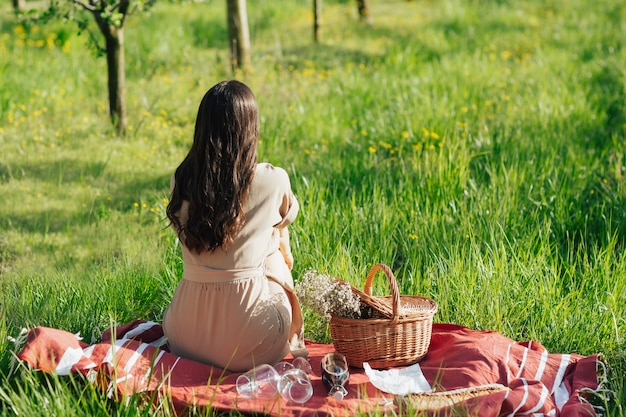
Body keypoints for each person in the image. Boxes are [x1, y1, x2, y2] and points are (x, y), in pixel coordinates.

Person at [163, 80, 308, 372]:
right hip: (251, 343)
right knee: (274, 242)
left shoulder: (182, 180)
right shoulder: (272, 180)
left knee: (264, 235)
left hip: (183, 335)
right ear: (250, 129)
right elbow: (287, 216)